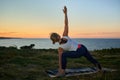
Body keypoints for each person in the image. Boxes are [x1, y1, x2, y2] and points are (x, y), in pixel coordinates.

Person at [50, 6, 102, 77]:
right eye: (56, 36)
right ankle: (99, 68)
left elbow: (60, 60)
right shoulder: (64, 37)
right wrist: (65, 14)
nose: (58, 36)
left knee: (63, 55)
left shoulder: (61, 46)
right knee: (90, 58)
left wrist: (65, 14)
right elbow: (66, 24)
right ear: (57, 37)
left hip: (79, 50)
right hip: (82, 47)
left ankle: (63, 72)